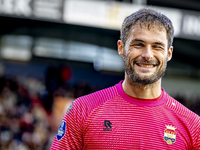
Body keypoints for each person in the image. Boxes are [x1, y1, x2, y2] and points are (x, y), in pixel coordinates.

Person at [51, 8, 200, 150]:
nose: (148, 55)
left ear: (169, 53)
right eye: (139, 44)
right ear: (121, 47)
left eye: (157, 47)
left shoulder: (192, 125)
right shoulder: (83, 109)